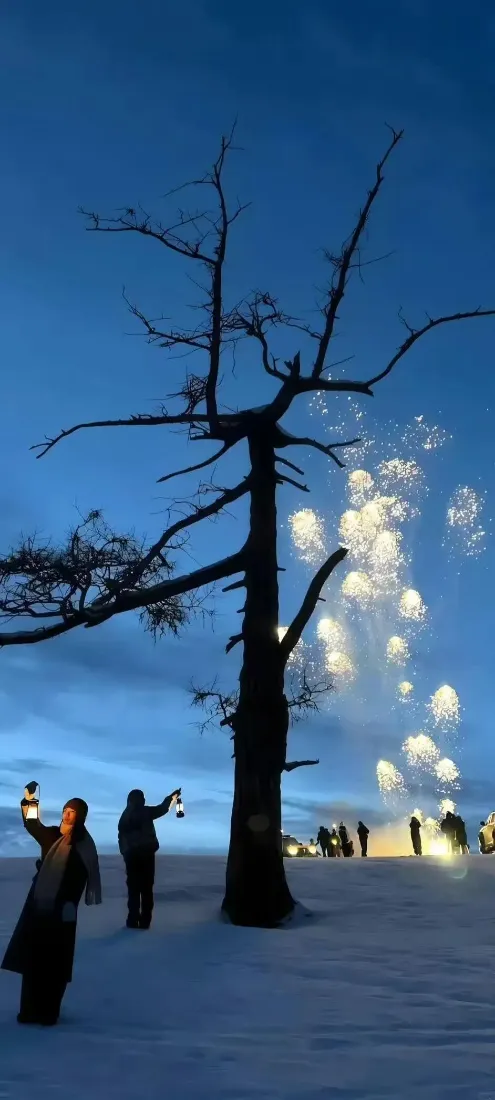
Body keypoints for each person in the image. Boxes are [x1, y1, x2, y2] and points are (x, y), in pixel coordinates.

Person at [1, 788, 101, 1027]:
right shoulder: (52, 836)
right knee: (34, 958)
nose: (67, 815)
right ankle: (28, 1010)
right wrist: (30, 800)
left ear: (81, 816)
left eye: (72, 812)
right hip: (40, 905)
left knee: (56, 962)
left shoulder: (85, 845)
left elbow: (83, 877)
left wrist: (70, 905)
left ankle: (48, 1012)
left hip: (64, 911)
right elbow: (32, 823)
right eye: (66, 811)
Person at [118, 787, 181, 929]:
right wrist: (171, 797)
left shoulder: (125, 815)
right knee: (146, 890)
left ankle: (133, 920)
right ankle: (144, 921)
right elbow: (162, 809)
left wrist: (125, 853)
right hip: (144, 856)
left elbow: (121, 838)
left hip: (132, 857)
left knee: (134, 890)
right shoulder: (145, 812)